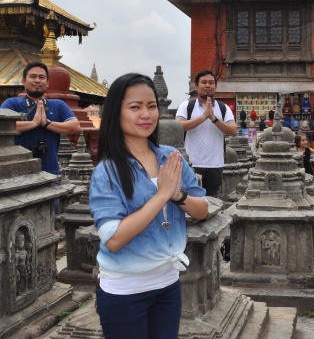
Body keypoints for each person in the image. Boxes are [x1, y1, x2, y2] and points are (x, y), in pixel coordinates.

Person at [89, 73, 208, 339]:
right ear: (116, 114)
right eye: (135, 107)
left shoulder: (171, 158)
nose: (146, 114)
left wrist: (178, 196)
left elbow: (203, 210)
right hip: (124, 290)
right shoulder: (107, 172)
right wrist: (161, 195)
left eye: (151, 106)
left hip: (168, 282)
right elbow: (114, 239)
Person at [1, 61, 81, 176]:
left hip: (51, 173)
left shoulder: (58, 105)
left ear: (47, 83)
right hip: (18, 175)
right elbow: (3, 126)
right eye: (32, 76)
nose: (37, 80)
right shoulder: (12, 104)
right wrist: (33, 123)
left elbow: (75, 127)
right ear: (23, 81)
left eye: (42, 77)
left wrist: (46, 123)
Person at [175, 70, 237, 197]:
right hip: (191, 164)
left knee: (211, 201)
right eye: (203, 82)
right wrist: (203, 117)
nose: (208, 85)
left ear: (215, 86)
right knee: (191, 200)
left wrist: (214, 118)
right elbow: (178, 126)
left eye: (211, 82)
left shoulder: (223, 108)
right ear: (196, 86)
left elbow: (233, 131)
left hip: (215, 164)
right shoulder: (186, 106)